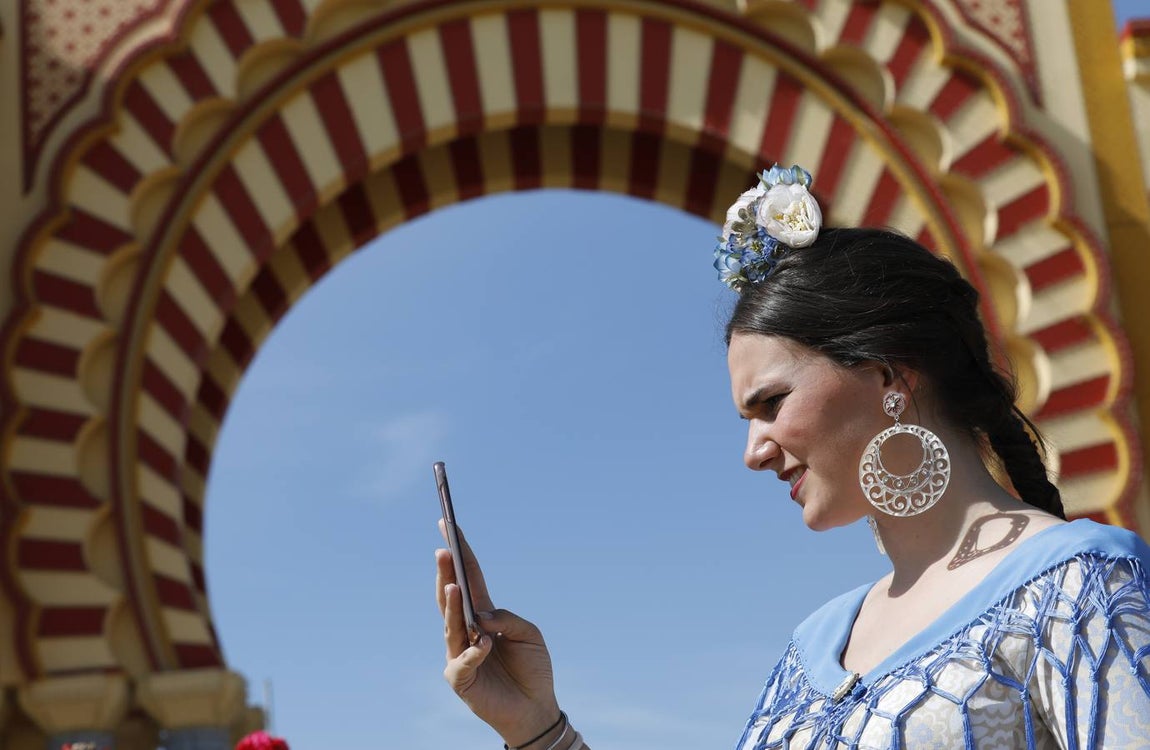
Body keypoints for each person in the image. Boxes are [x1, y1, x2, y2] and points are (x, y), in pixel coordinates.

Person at [434, 165, 1150, 749]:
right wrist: (536, 729)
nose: (752, 453)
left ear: (888, 375)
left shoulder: (1080, 587)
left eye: (770, 404)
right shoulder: (815, 645)